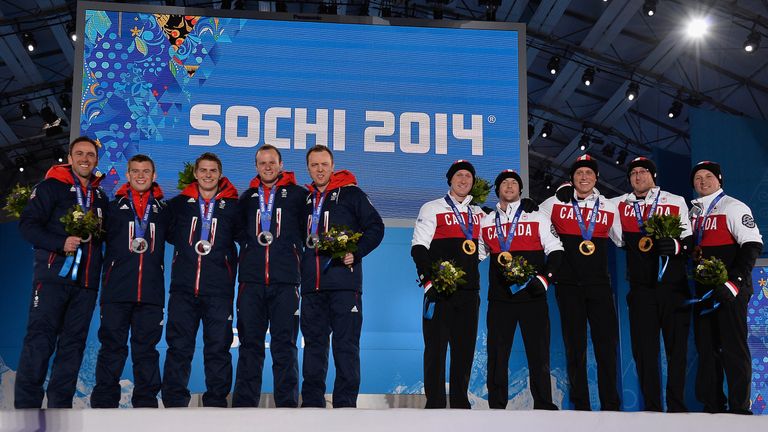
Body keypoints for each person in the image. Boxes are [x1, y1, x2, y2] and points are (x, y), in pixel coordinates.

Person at [15, 136, 108, 408]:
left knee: (73, 346)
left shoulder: (99, 196)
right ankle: (27, 409)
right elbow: (27, 226)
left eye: (90, 155)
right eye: (79, 153)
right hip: (53, 278)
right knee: (40, 340)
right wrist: (60, 243)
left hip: (86, 283)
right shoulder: (50, 187)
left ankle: (60, 408)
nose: (85, 159)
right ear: (69, 158)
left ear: (96, 160)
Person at [299, 145, 384, 408]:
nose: (320, 169)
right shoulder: (305, 199)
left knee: (345, 347)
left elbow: (376, 227)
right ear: (308, 168)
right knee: (313, 347)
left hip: (344, 285)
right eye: (314, 165)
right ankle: (312, 403)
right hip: (312, 287)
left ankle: (345, 406)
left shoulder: (351, 194)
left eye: (324, 164)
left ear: (333, 166)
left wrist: (355, 253)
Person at [539, 154, 623, 411]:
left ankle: (611, 403)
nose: (584, 177)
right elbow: (529, 214)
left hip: (599, 286)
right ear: (572, 179)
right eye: (578, 173)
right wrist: (556, 193)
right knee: (574, 347)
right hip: (568, 286)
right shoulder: (554, 203)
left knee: (606, 346)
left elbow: (622, 240)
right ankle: (581, 404)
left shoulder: (609, 207)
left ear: (596, 177)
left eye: (588, 173)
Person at [610, 157, 693, 412]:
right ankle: (653, 409)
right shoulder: (618, 205)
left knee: (676, 350)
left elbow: (689, 240)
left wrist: (678, 245)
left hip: (673, 287)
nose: (637, 176)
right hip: (641, 290)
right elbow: (586, 198)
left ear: (653, 175)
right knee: (644, 352)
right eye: (633, 173)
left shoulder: (675, 201)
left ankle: (677, 406)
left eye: (643, 171)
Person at [479, 169, 563, 410]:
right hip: (500, 299)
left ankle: (544, 403)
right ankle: (496, 405)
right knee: (497, 354)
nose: (509, 185)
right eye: (504, 182)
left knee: (538, 353)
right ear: (497, 190)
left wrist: (545, 280)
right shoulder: (486, 221)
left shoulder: (536, 215)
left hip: (532, 297)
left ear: (520, 189)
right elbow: (477, 254)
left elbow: (556, 251)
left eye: (514, 182)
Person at [161, 152, 240, 408]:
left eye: (213, 171)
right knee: (178, 348)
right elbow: (169, 234)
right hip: (183, 289)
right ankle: (174, 402)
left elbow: (244, 239)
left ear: (220, 174)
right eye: (203, 170)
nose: (208, 175)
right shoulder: (178, 205)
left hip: (219, 291)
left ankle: (216, 404)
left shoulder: (233, 207)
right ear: (195, 173)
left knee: (218, 348)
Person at [90, 154, 167, 408]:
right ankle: (103, 403)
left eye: (146, 171)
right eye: (136, 171)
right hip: (116, 292)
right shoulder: (113, 209)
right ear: (128, 175)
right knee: (112, 348)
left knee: (146, 351)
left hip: (151, 294)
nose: (141, 175)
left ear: (154, 176)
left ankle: (145, 404)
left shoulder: (164, 211)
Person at [233, 145, 307, 408]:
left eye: (272, 162)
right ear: (256, 166)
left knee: (285, 346)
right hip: (251, 283)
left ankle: (286, 406)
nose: (267, 166)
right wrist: (253, 248)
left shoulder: (299, 195)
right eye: (262, 162)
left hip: (285, 282)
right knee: (249, 346)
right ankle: (244, 406)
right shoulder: (247, 197)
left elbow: (307, 229)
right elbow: (237, 231)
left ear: (281, 164)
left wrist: (290, 250)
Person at [689, 161, 762, 414]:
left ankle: (740, 408)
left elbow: (752, 245)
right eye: (698, 178)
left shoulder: (734, 206)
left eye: (708, 176)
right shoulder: (694, 213)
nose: (703, 181)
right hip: (704, 292)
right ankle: (713, 406)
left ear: (719, 180)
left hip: (730, 290)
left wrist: (735, 282)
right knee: (706, 350)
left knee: (733, 348)